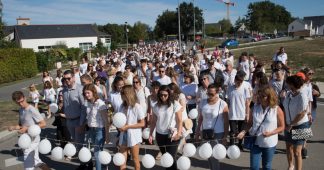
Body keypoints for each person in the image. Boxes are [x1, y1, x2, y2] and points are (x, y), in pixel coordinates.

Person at [238, 86, 285, 170]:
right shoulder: (255, 107)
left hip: (269, 143)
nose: (260, 98)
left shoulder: (276, 109)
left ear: (269, 97)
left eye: (263, 96)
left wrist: (271, 133)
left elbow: (282, 127)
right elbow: (250, 123)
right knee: (254, 167)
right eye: (259, 96)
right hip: (255, 141)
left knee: (266, 166)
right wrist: (243, 132)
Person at [9, 91, 46, 170]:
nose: (21, 104)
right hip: (26, 139)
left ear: (25, 98)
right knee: (37, 161)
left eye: (22, 101)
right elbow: (21, 125)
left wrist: (28, 128)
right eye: (18, 103)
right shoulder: (21, 110)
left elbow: (43, 124)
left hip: (33, 139)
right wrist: (14, 127)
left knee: (28, 162)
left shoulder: (32, 110)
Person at [195, 83, 229, 170]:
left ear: (217, 93)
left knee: (214, 156)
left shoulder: (222, 104)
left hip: (218, 133)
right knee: (208, 155)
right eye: (208, 93)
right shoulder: (202, 102)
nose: (209, 96)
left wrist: (225, 136)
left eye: (212, 94)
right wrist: (198, 131)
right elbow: (200, 119)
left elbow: (226, 122)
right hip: (205, 132)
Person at [149, 85, 183, 170]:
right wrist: (150, 134)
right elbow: (153, 121)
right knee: (165, 158)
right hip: (160, 135)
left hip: (172, 135)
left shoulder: (175, 104)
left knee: (171, 158)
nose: (163, 97)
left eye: (165, 95)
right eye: (161, 95)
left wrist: (178, 134)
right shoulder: (156, 106)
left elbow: (179, 120)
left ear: (169, 95)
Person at [61, 70, 87, 169]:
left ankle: (84, 165)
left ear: (73, 78)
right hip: (69, 121)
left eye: (68, 78)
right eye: (65, 78)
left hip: (78, 121)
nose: (66, 80)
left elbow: (84, 108)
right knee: (76, 143)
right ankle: (85, 163)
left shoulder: (80, 89)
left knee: (80, 144)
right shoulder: (64, 90)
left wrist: (81, 124)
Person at [283, 75, 309, 170]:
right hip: (289, 124)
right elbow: (285, 108)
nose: (287, 85)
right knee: (288, 147)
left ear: (292, 84)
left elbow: (302, 113)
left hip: (301, 125)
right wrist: (285, 123)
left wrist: (291, 124)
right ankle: (291, 166)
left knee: (297, 152)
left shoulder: (302, 95)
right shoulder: (289, 94)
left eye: (288, 84)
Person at [118, 85, 145, 170]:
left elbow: (142, 124)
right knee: (121, 160)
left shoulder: (137, 107)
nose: (121, 95)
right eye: (121, 93)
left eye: (123, 93)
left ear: (128, 94)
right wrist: (119, 126)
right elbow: (119, 120)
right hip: (123, 134)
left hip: (133, 136)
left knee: (135, 160)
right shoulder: (122, 106)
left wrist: (128, 126)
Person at [83, 84, 108, 170]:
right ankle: (104, 166)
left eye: (88, 93)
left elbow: (106, 121)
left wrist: (107, 136)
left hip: (100, 130)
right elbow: (89, 117)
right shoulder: (88, 103)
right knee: (98, 152)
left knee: (97, 153)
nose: (86, 95)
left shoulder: (100, 103)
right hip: (91, 130)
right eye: (85, 93)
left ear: (93, 92)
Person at [227, 71, 251, 149]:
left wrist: (247, 114)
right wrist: (227, 112)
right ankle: (232, 146)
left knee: (241, 131)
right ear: (235, 80)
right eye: (238, 81)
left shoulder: (245, 89)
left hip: (242, 113)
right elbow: (228, 101)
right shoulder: (230, 88)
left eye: (241, 82)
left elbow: (247, 103)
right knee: (232, 132)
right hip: (232, 113)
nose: (239, 83)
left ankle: (240, 144)